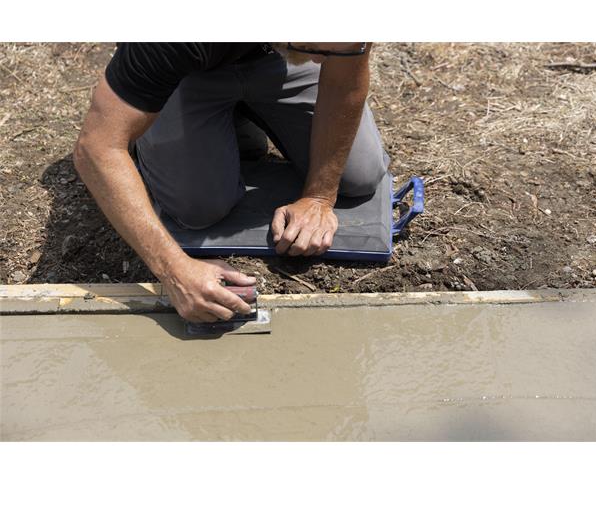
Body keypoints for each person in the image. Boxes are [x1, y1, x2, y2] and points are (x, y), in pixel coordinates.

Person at [74, 42, 389, 323]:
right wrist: (173, 269)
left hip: (275, 59)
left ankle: (232, 118)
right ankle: (148, 118)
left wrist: (319, 197)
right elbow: (95, 147)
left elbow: (345, 83)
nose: (326, 62)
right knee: (198, 207)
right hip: (188, 73)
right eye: (324, 51)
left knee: (357, 175)